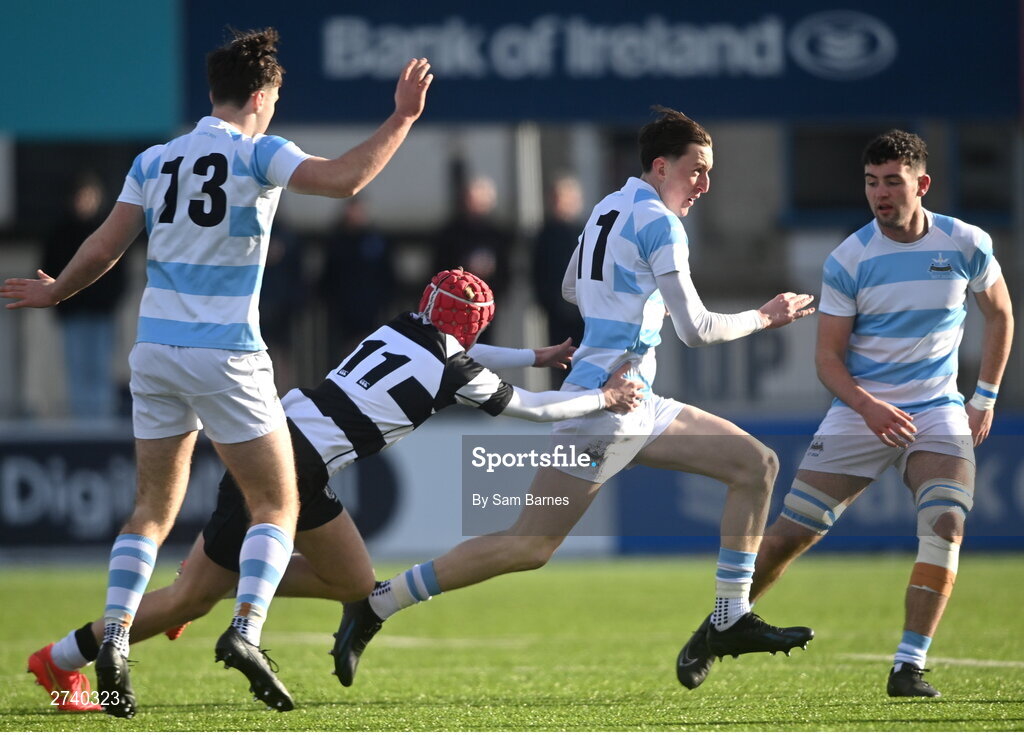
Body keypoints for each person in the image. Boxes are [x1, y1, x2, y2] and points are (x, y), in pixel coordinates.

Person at [2, 28, 433, 717]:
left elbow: (106, 247)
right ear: (260, 97)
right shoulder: (258, 151)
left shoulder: (156, 158)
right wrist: (402, 118)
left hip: (155, 352)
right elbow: (345, 178)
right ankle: (246, 630)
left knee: (149, 510)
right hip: (227, 353)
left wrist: (55, 292)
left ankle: (113, 633)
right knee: (276, 503)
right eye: (274, 101)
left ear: (213, 92)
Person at [330, 106, 819, 688]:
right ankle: (378, 602)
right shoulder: (661, 224)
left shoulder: (606, 208)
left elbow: (570, 285)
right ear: (662, 167)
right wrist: (765, 316)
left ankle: (728, 615)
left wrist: (619, 313)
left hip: (632, 399)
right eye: (697, 171)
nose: (704, 185)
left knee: (755, 465)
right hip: (604, 410)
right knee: (527, 544)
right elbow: (698, 330)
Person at [26, 267, 642, 712]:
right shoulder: (457, 370)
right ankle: (59, 659)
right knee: (190, 599)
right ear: (474, 330)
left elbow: (469, 354)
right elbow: (533, 410)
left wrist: (539, 352)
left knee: (353, 585)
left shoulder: (402, 326)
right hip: (288, 464)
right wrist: (605, 397)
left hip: (280, 443)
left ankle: (226, 578)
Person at [674, 130, 1014, 698]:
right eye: (871, 182)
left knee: (946, 524)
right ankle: (715, 628)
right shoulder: (851, 258)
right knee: (786, 538)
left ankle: (909, 666)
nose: (880, 194)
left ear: (921, 185)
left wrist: (984, 397)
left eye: (892, 182)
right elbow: (828, 360)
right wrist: (868, 406)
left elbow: (1000, 314)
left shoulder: (966, 243)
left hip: (936, 411)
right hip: (860, 411)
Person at [41, 173, 128, 418]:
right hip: (73, 315)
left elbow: (119, 274)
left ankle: (101, 425)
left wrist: (109, 302)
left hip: (102, 314)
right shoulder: (60, 233)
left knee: (100, 368)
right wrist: (60, 303)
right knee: (77, 369)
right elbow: (49, 270)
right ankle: (82, 423)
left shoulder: (109, 231)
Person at [431, 174, 513, 341]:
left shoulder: (496, 235)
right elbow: (439, 269)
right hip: (455, 308)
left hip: (486, 306)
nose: (474, 205)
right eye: (471, 199)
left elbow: (505, 271)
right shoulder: (450, 234)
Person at [319, 197, 397, 361]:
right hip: (343, 309)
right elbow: (329, 276)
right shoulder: (337, 241)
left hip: (370, 308)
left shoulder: (376, 240)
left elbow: (387, 275)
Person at [531, 174, 586, 386]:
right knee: (562, 362)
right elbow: (538, 274)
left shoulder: (587, 231)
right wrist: (551, 303)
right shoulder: (544, 235)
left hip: (585, 312)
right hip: (557, 312)